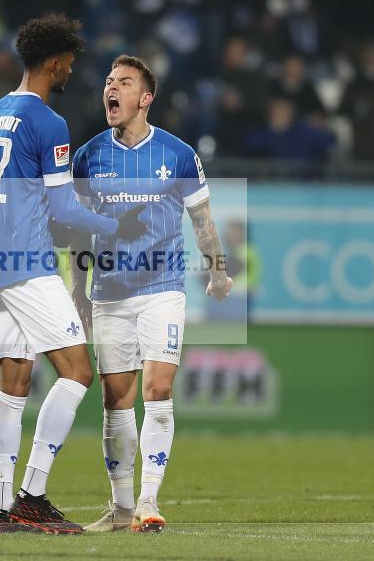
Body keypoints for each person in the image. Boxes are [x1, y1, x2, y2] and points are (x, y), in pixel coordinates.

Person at [0, 14, 145, 535]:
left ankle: (0, 509)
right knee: (77, 372)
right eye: (69, 62)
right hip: (26, 263)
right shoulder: (48, 123)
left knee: (14, 381)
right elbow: (65, 208)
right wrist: (114, 223)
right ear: (54, 62)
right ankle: (32, 495)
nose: (71, 71)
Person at [70, 55, 232, 533]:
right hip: (110, 294)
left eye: (123, 82)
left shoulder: (179, 154)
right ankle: (120, 510)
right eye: (107, 82)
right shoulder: (88, 156)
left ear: (145, 98)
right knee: (115, 399)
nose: (110, 89)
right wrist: (77, 291)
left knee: (157, 388)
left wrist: (218, 272)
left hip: (162, 289)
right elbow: (78, 231)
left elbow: (202, 220)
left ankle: (147, 502)